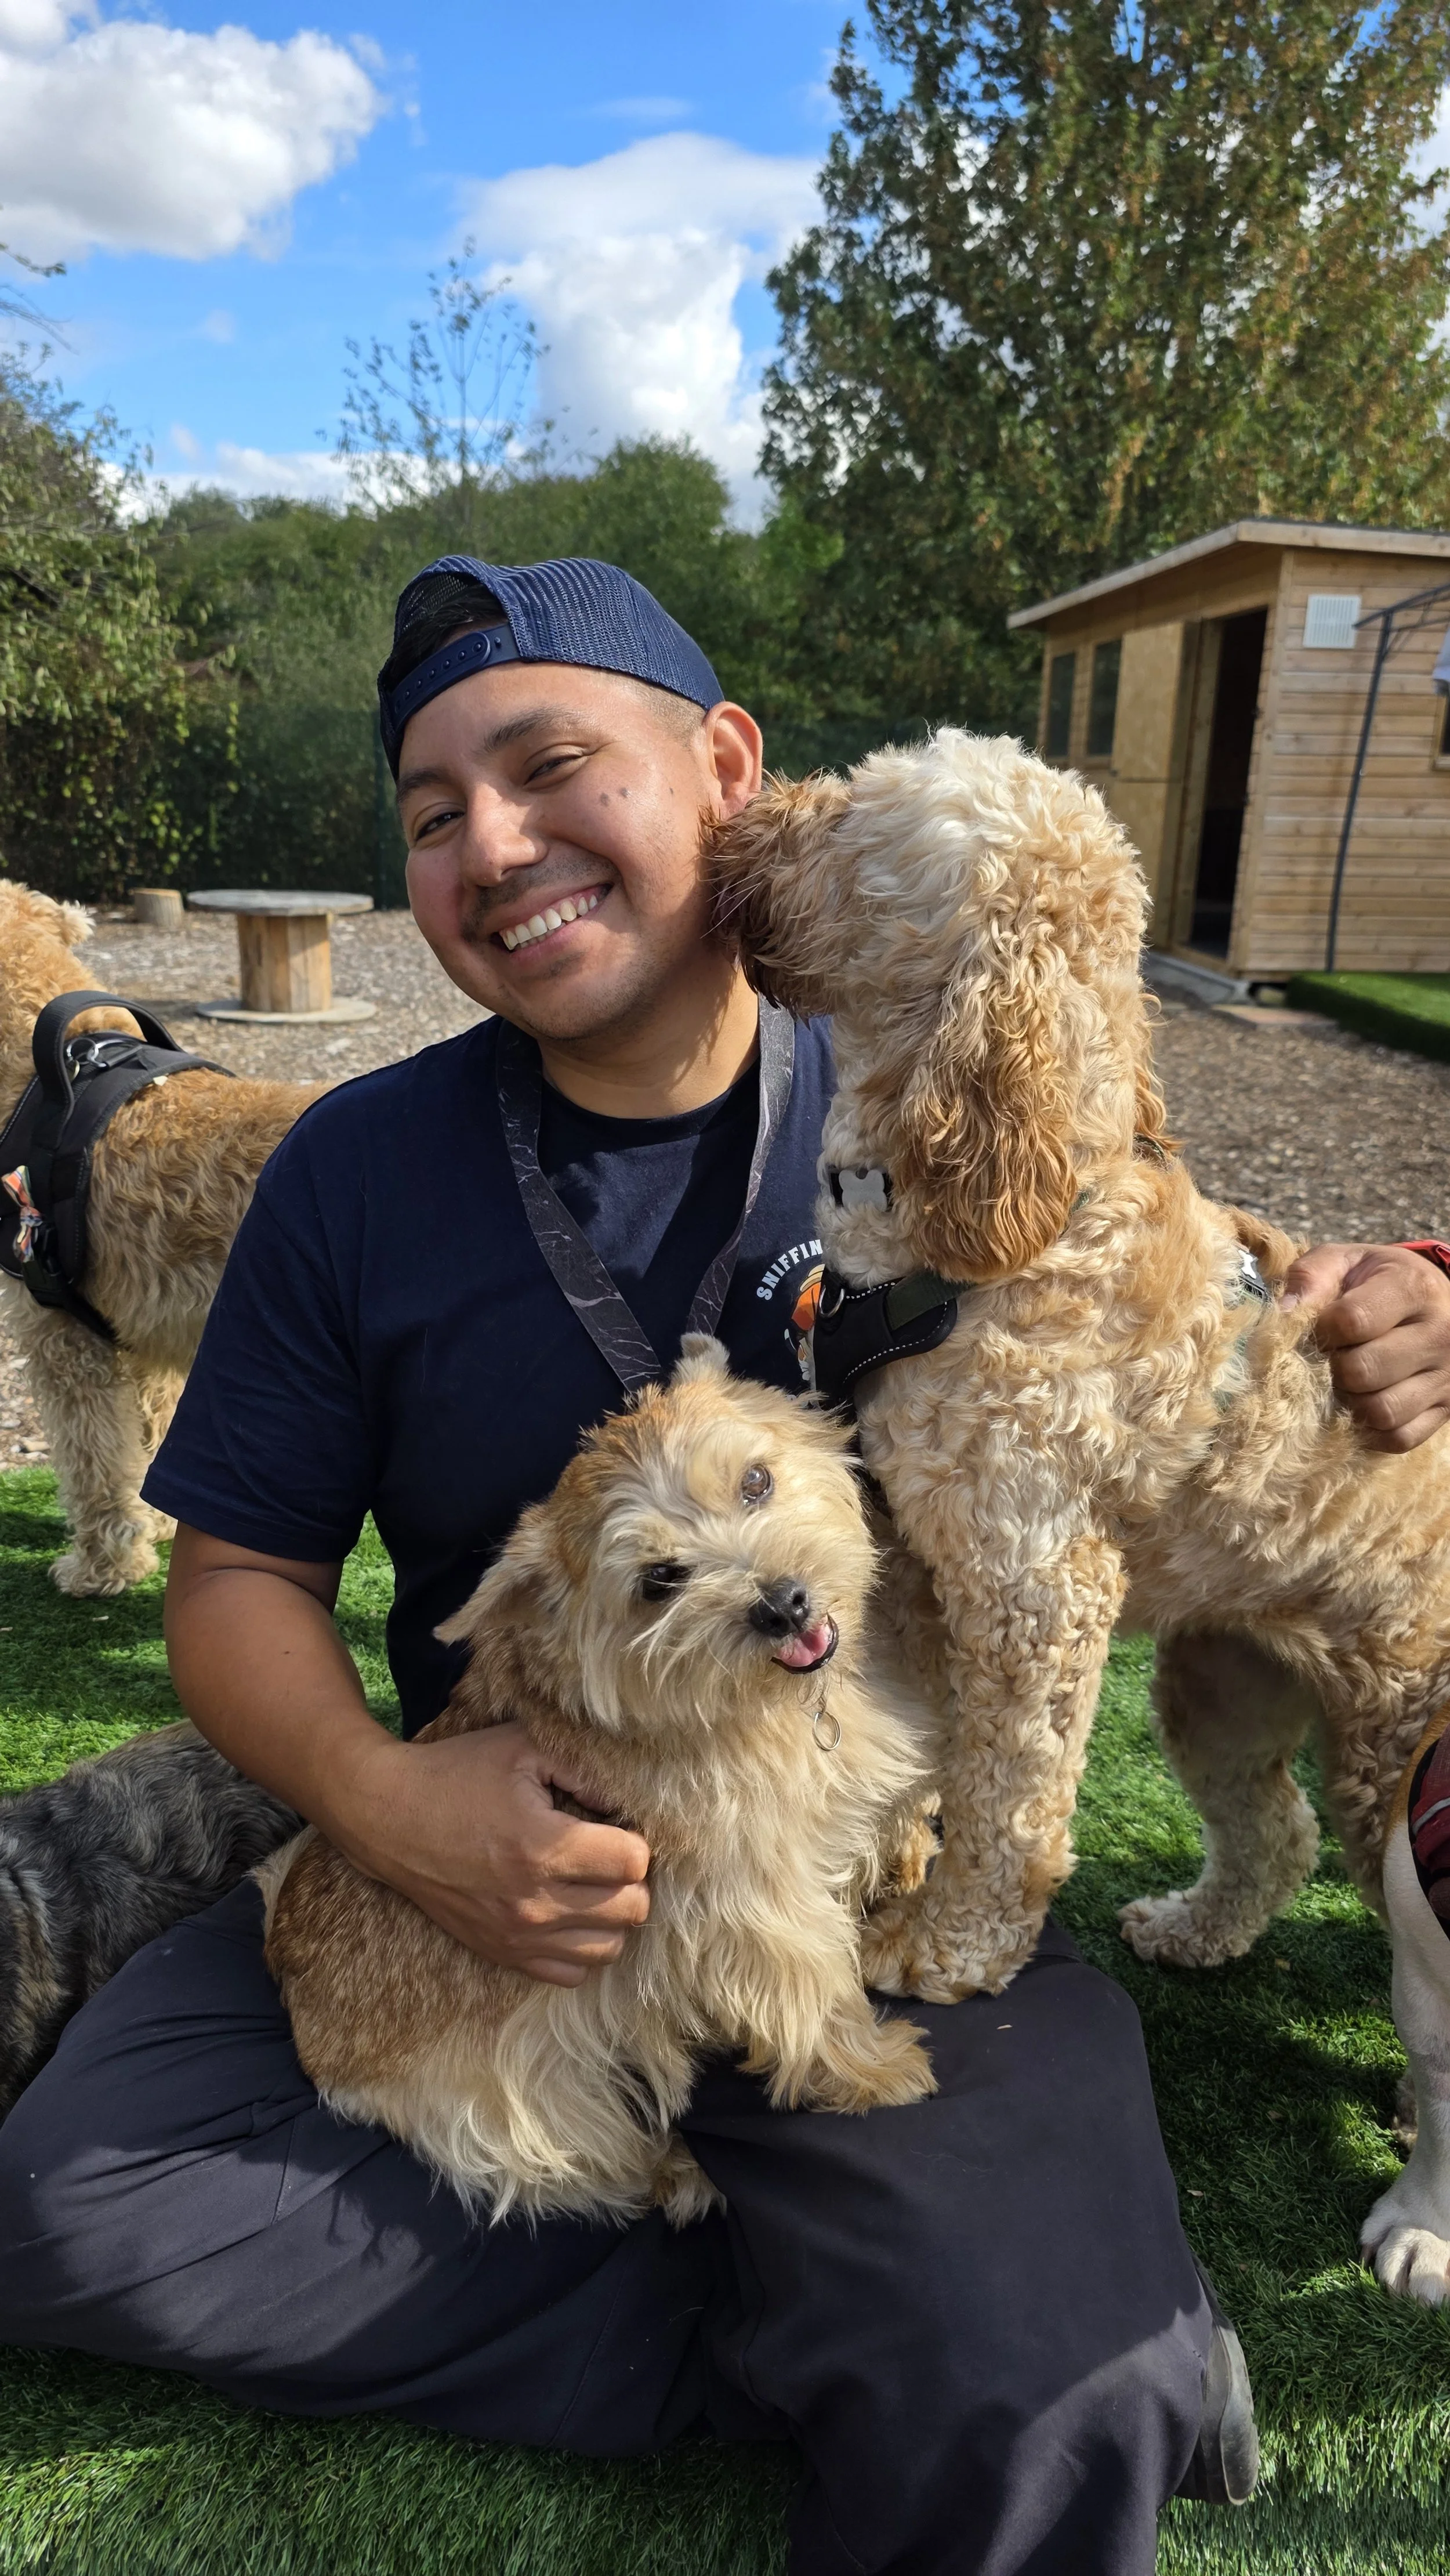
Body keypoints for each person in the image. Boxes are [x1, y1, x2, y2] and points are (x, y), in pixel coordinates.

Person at [3, 555, 1450, 2576]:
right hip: (524, 1899)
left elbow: (1219, 1289)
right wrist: (388, 1802)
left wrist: (1404, 1297)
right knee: (69, 2209)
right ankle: (823, 2333)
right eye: (432, 817)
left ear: (726, 770)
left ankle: (943, 2323)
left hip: (870, 1871)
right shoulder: (352, 1169)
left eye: (547, 766)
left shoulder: (935, 1081)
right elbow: (231, 1582)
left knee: (1056, 2401)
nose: (492, 849)